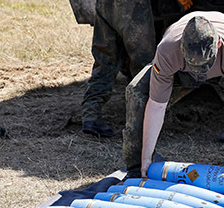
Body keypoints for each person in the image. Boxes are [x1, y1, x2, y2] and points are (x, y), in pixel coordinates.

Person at [122, 11, 224, 182]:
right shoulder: (167, 50)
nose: (200, 72)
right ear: (181, 45)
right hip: (181, 73)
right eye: (195, 65)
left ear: (218, 44)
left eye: (204, 64)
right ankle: (140, 169)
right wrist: (145, 158)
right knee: (136, 92)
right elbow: (157, 105)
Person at [82, 0, 192, 138]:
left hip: (105, 4)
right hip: (133, 6)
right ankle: (141, 123)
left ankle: (91, 115)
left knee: (104, 62)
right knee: (143, 66)